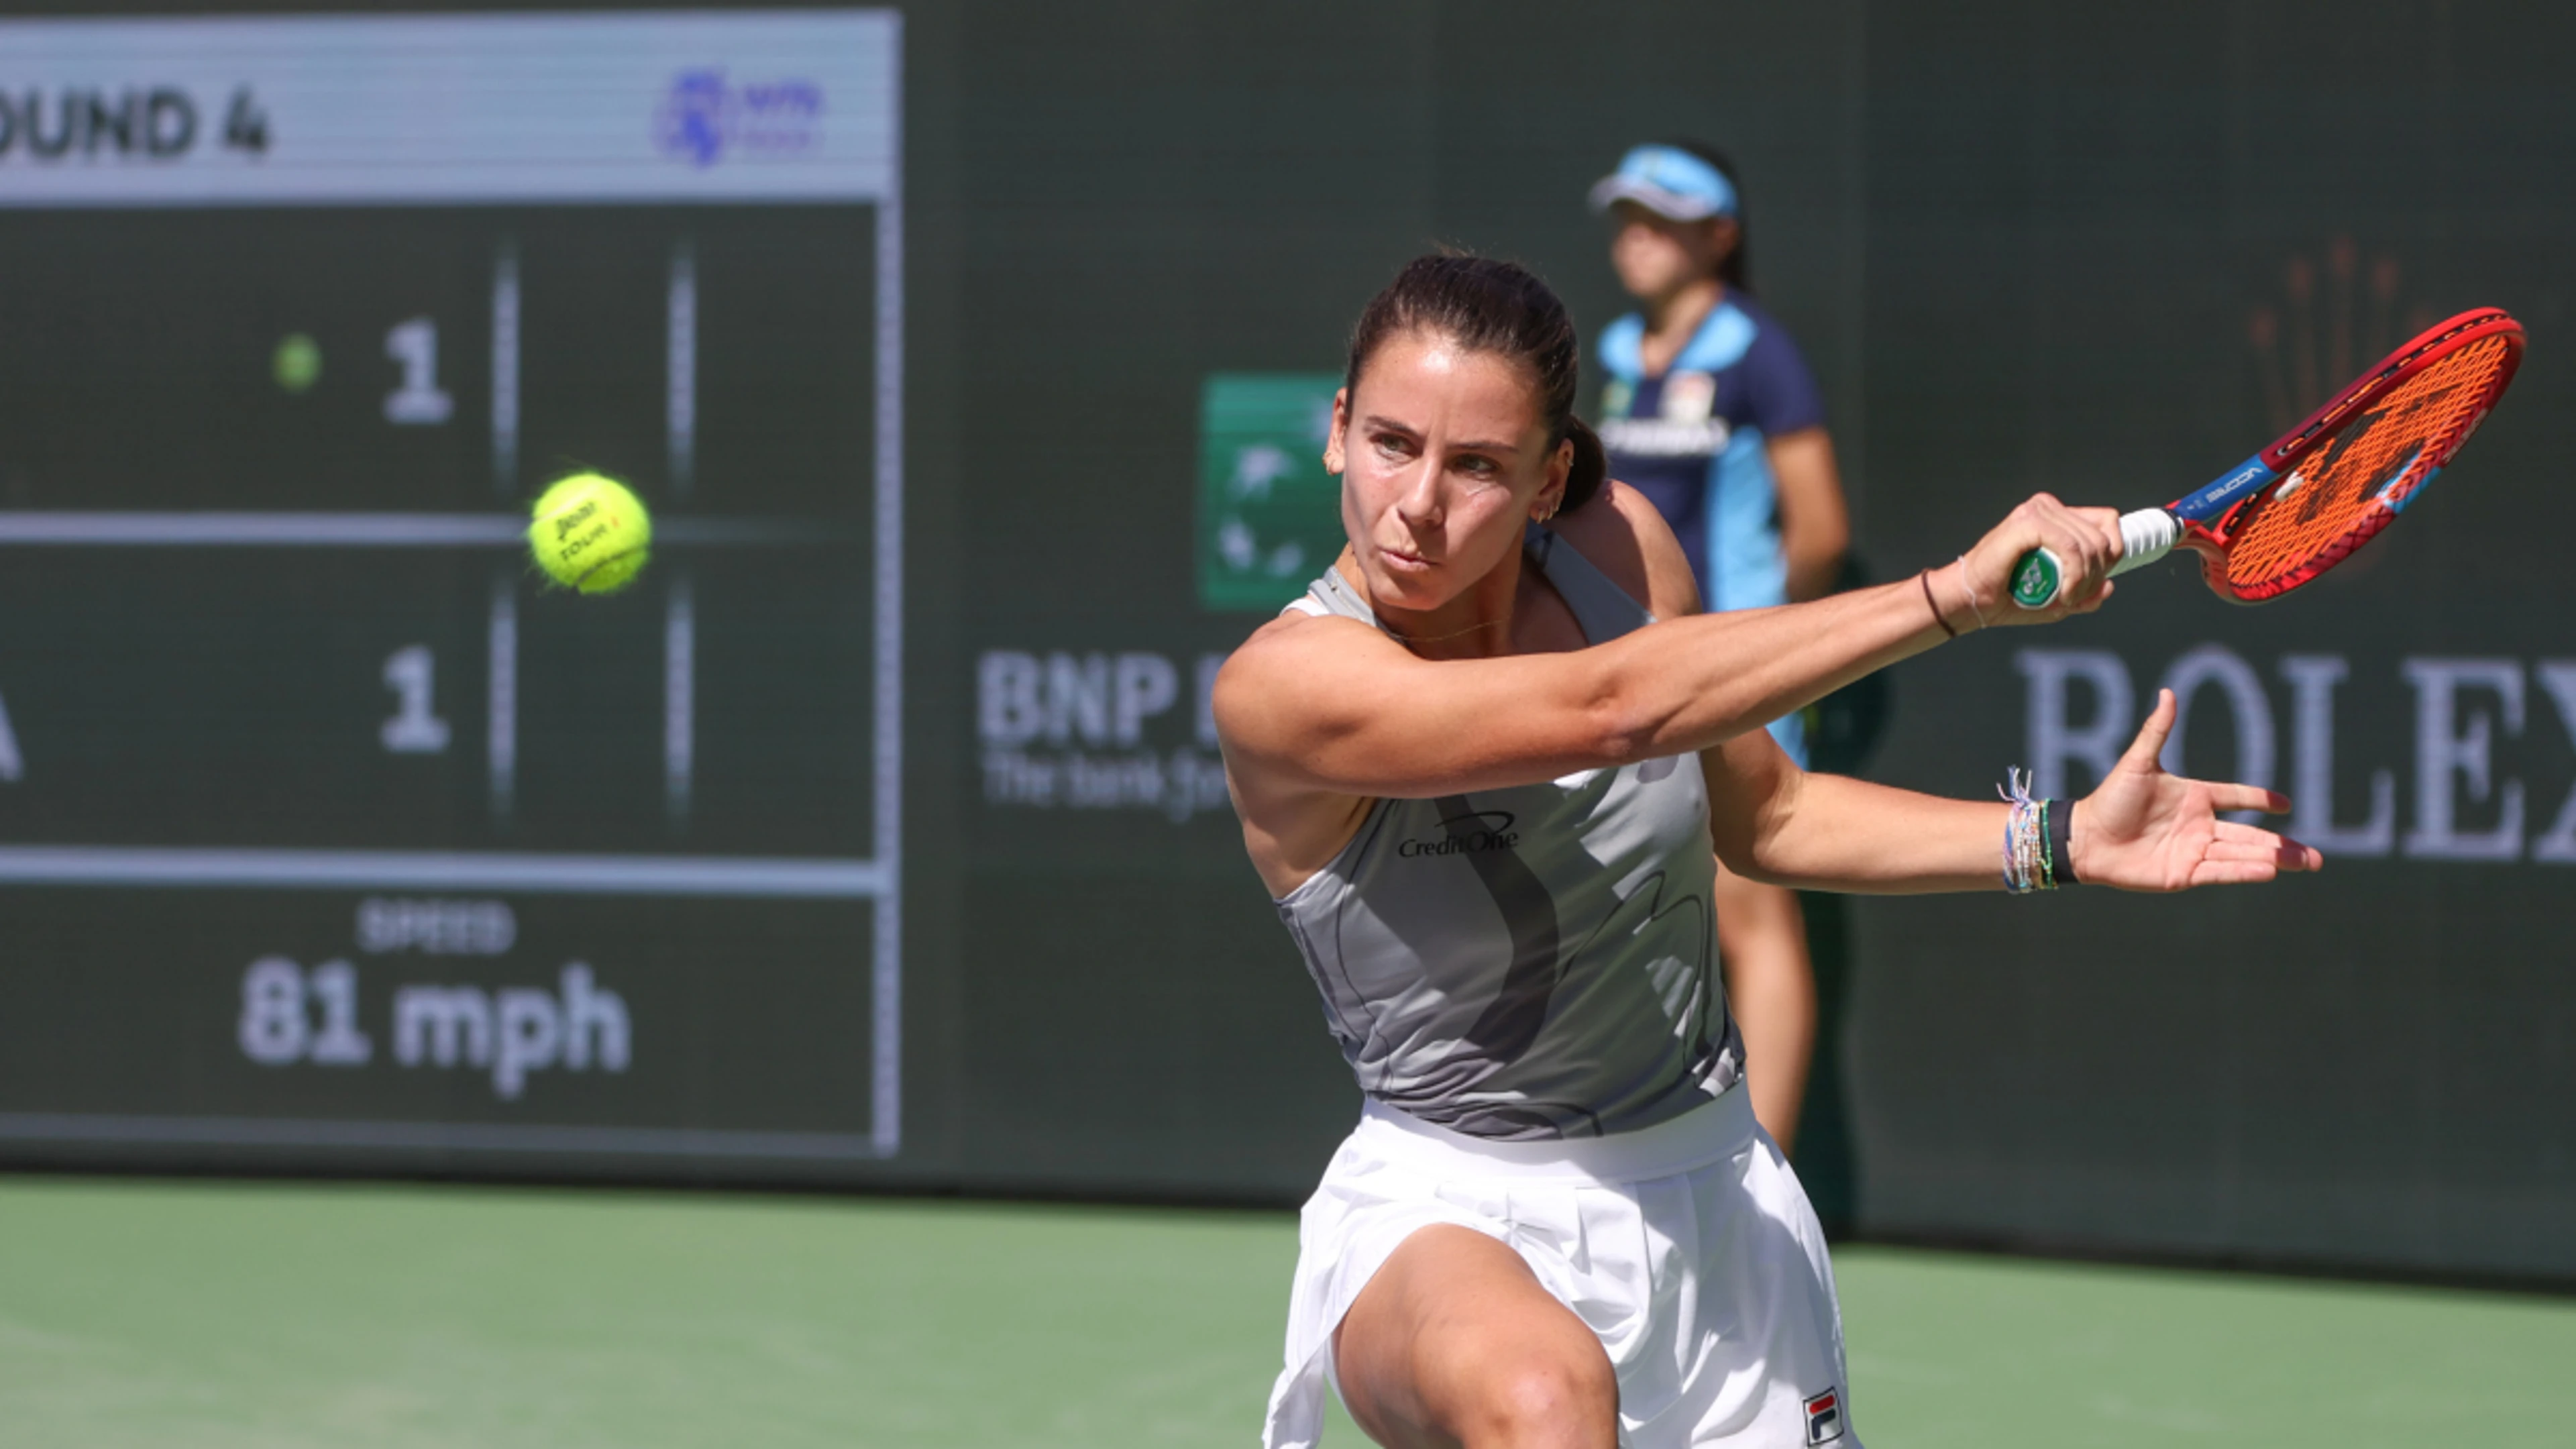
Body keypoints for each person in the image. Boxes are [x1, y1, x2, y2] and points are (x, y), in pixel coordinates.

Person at [1217, 254, 2316, 1449]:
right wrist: (1954, 597)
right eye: (1388, 442)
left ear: (1548, 482)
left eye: (1477, 464)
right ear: (1334, 432)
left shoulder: (1622, 554)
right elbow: (1612, 710)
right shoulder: (1286, 686)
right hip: (1444, 1207)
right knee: (1541, 1401)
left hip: (1716, 1204)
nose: (1417, 502)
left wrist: (2054, 839)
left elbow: (1769, 820)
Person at [1591, 141, 1851, 1153]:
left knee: (1752, 919)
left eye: (1663, 219)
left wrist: (1769, 651)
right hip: (1625, 686)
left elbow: (1820, 527)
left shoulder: (1756, 353)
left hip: (1738, 679)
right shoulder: (1609, 358)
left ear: (1719, 236)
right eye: (1627, 217)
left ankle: (1770, 1180)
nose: (1637, 237)